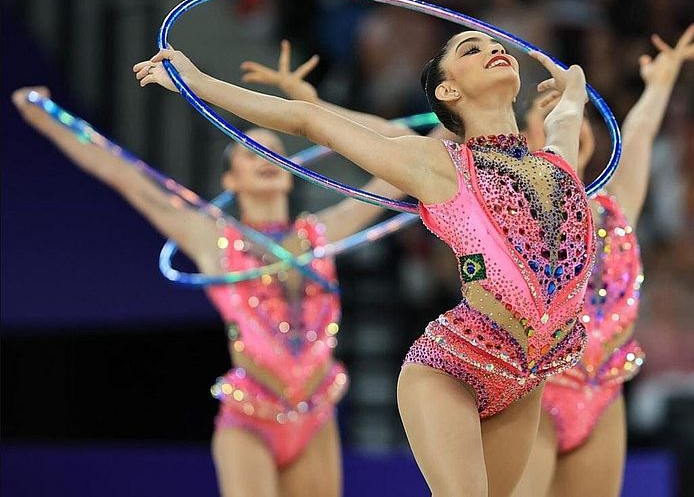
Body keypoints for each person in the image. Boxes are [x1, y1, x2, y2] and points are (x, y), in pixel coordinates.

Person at [134, 29, 595, 496]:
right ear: (447, 90)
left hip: (526, 376)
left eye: (496, 46)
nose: (495, 49)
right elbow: (308, 122)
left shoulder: (557, 165)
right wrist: (196, 82)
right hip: (454, 367)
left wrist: (575, 86)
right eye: (470, 50)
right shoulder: (437, 164)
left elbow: (566, 118)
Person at [11, 87, 401, 497]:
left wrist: (443, 120)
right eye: (251, 152)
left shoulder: (320, 235)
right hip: (251, 420)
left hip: (316, 414)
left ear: (291, 170)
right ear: (230, 180)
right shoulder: (215, 241)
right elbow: (126, 177)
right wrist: (45, 117)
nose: (266, 157)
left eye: (274, 151)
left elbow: (401, 168)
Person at [513, 23, 694, 497]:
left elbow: (638, 136)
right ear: (522, 137)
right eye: (553, 111)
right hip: (534, 390)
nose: (570, 118)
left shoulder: (612, 206)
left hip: (603, 392)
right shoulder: (513, 210)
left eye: (575, 110)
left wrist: (660, 84)